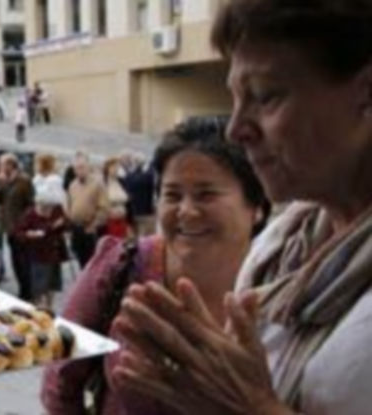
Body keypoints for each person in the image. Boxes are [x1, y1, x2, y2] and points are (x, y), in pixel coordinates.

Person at [109, 2, 372, 414]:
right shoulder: (282, 241)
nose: (236, 130)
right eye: (234, 98)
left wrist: (253, 407)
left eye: (266, 96)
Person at [41, 116, 270, 415]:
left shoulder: (285, 284)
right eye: (172, 195)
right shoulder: (121, 266)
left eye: (206, 194)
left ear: (257, 208)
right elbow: (59, 379)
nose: (186, 211)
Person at [14, 184, 69, 307]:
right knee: (38, 287)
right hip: (38, 255)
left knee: (52, 285)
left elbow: (65, 223)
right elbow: (19, 233)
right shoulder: (30, 214)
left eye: (50, 208)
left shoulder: (56, 209)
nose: (48, 211)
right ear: (38, 204)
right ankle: (38, 307)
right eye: (45, 208)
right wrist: (29, 234)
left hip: (54, 253)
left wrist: (62, 225)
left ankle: (50, 307)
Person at [0, 153, 35, 300]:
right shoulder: (4, 181)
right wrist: (0, 185)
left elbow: (31, 203)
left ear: (11, 165)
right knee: (15, 260)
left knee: (23, 260)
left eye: (3, 165)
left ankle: (27, 291)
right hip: (9, 226)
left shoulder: (23, 181)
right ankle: (22, 288)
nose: (1, 168)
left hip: (20, 226)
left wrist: (26, 222)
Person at [67, 153, 110, 268]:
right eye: (76, 168)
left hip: (90, 229)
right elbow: (70, 204)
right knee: (81, 262)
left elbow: (104, 208)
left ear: (88, 167)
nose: (79, 171)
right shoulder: (72, 185)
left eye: (82, 167)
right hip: (77, 229)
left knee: (92, 264)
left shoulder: (98, 184)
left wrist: (94, 224)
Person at [102, 157, 130, 238]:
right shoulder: (104, 183)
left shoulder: (121, 181)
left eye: (117, 167)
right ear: (108, 168)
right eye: (113, 167)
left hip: (123, 221)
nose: (116, 169)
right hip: (110, 223)